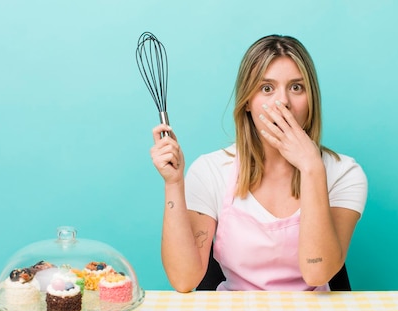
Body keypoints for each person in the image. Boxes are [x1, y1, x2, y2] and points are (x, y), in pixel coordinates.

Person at [150, 34, 367, 292]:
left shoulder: (344, 174)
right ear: (248, 104)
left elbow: (316, 272)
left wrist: (311, 168)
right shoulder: (211, 171)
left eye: (296, 87)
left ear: (311, 101)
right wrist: (174, 183)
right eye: (267, 88)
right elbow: (184, 280)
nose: (283, 102)